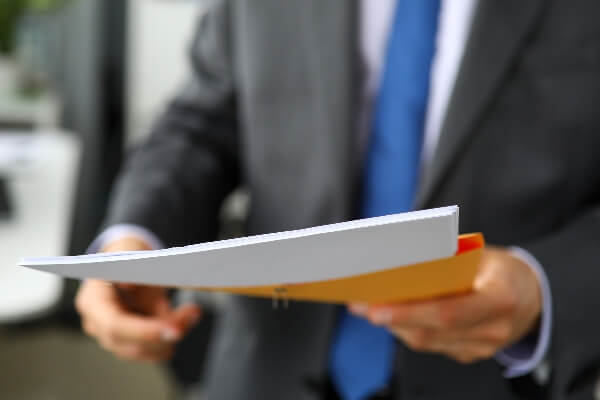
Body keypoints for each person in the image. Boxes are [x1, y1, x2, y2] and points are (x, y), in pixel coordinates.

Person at [74, 0, 600, 399]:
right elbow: (204, 121)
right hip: (268, 367)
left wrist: (544, 285)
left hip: (506, 378)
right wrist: (133, 237)